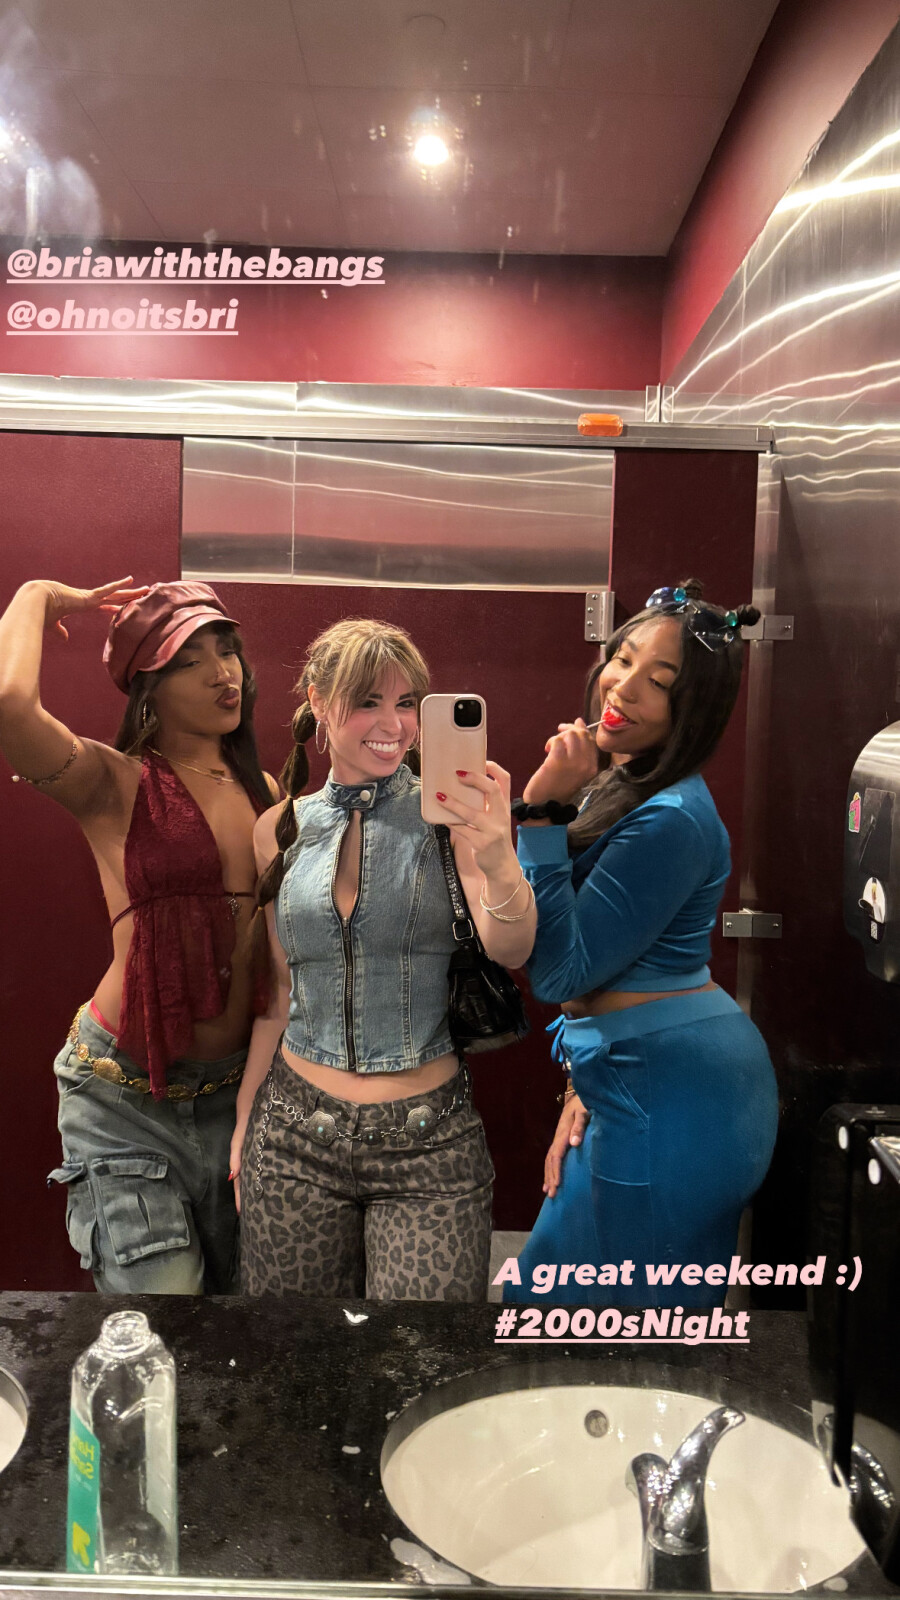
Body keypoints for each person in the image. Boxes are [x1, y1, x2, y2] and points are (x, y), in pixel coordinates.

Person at [233, 617, 536, 1300]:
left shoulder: (453, 818)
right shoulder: (278, 829)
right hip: (291, 1141)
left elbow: (512, 947)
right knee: (295, 1352)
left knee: (420, 1356)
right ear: (317, 701)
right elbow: (279, 995)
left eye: (407, 703)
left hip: (429, 1147)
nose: (393, 725)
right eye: (368, 701)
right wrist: (247, 1119)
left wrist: (497, 854)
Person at [505, 581, 779, 1308]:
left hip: (677, 1094)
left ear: (694, 707)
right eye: (622, 659)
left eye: (659, 681)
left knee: (628, 1329)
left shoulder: (673, 818)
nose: (622, 686)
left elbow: (562, 971)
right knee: (549, 1307)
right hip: (628, 1077)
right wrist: (583, 1085)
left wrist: (543, 812)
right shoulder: (621, 782)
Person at [0, 577, 277, 1293]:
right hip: (125, 1103)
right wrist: (36, 595)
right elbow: (9, 705)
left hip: (240, 1098)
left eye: (227, 651)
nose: (223, 673)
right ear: (147, 689)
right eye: (190, 660)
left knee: (244, 1330)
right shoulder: (109, 779)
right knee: (164, 1324)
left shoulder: (268, 794)